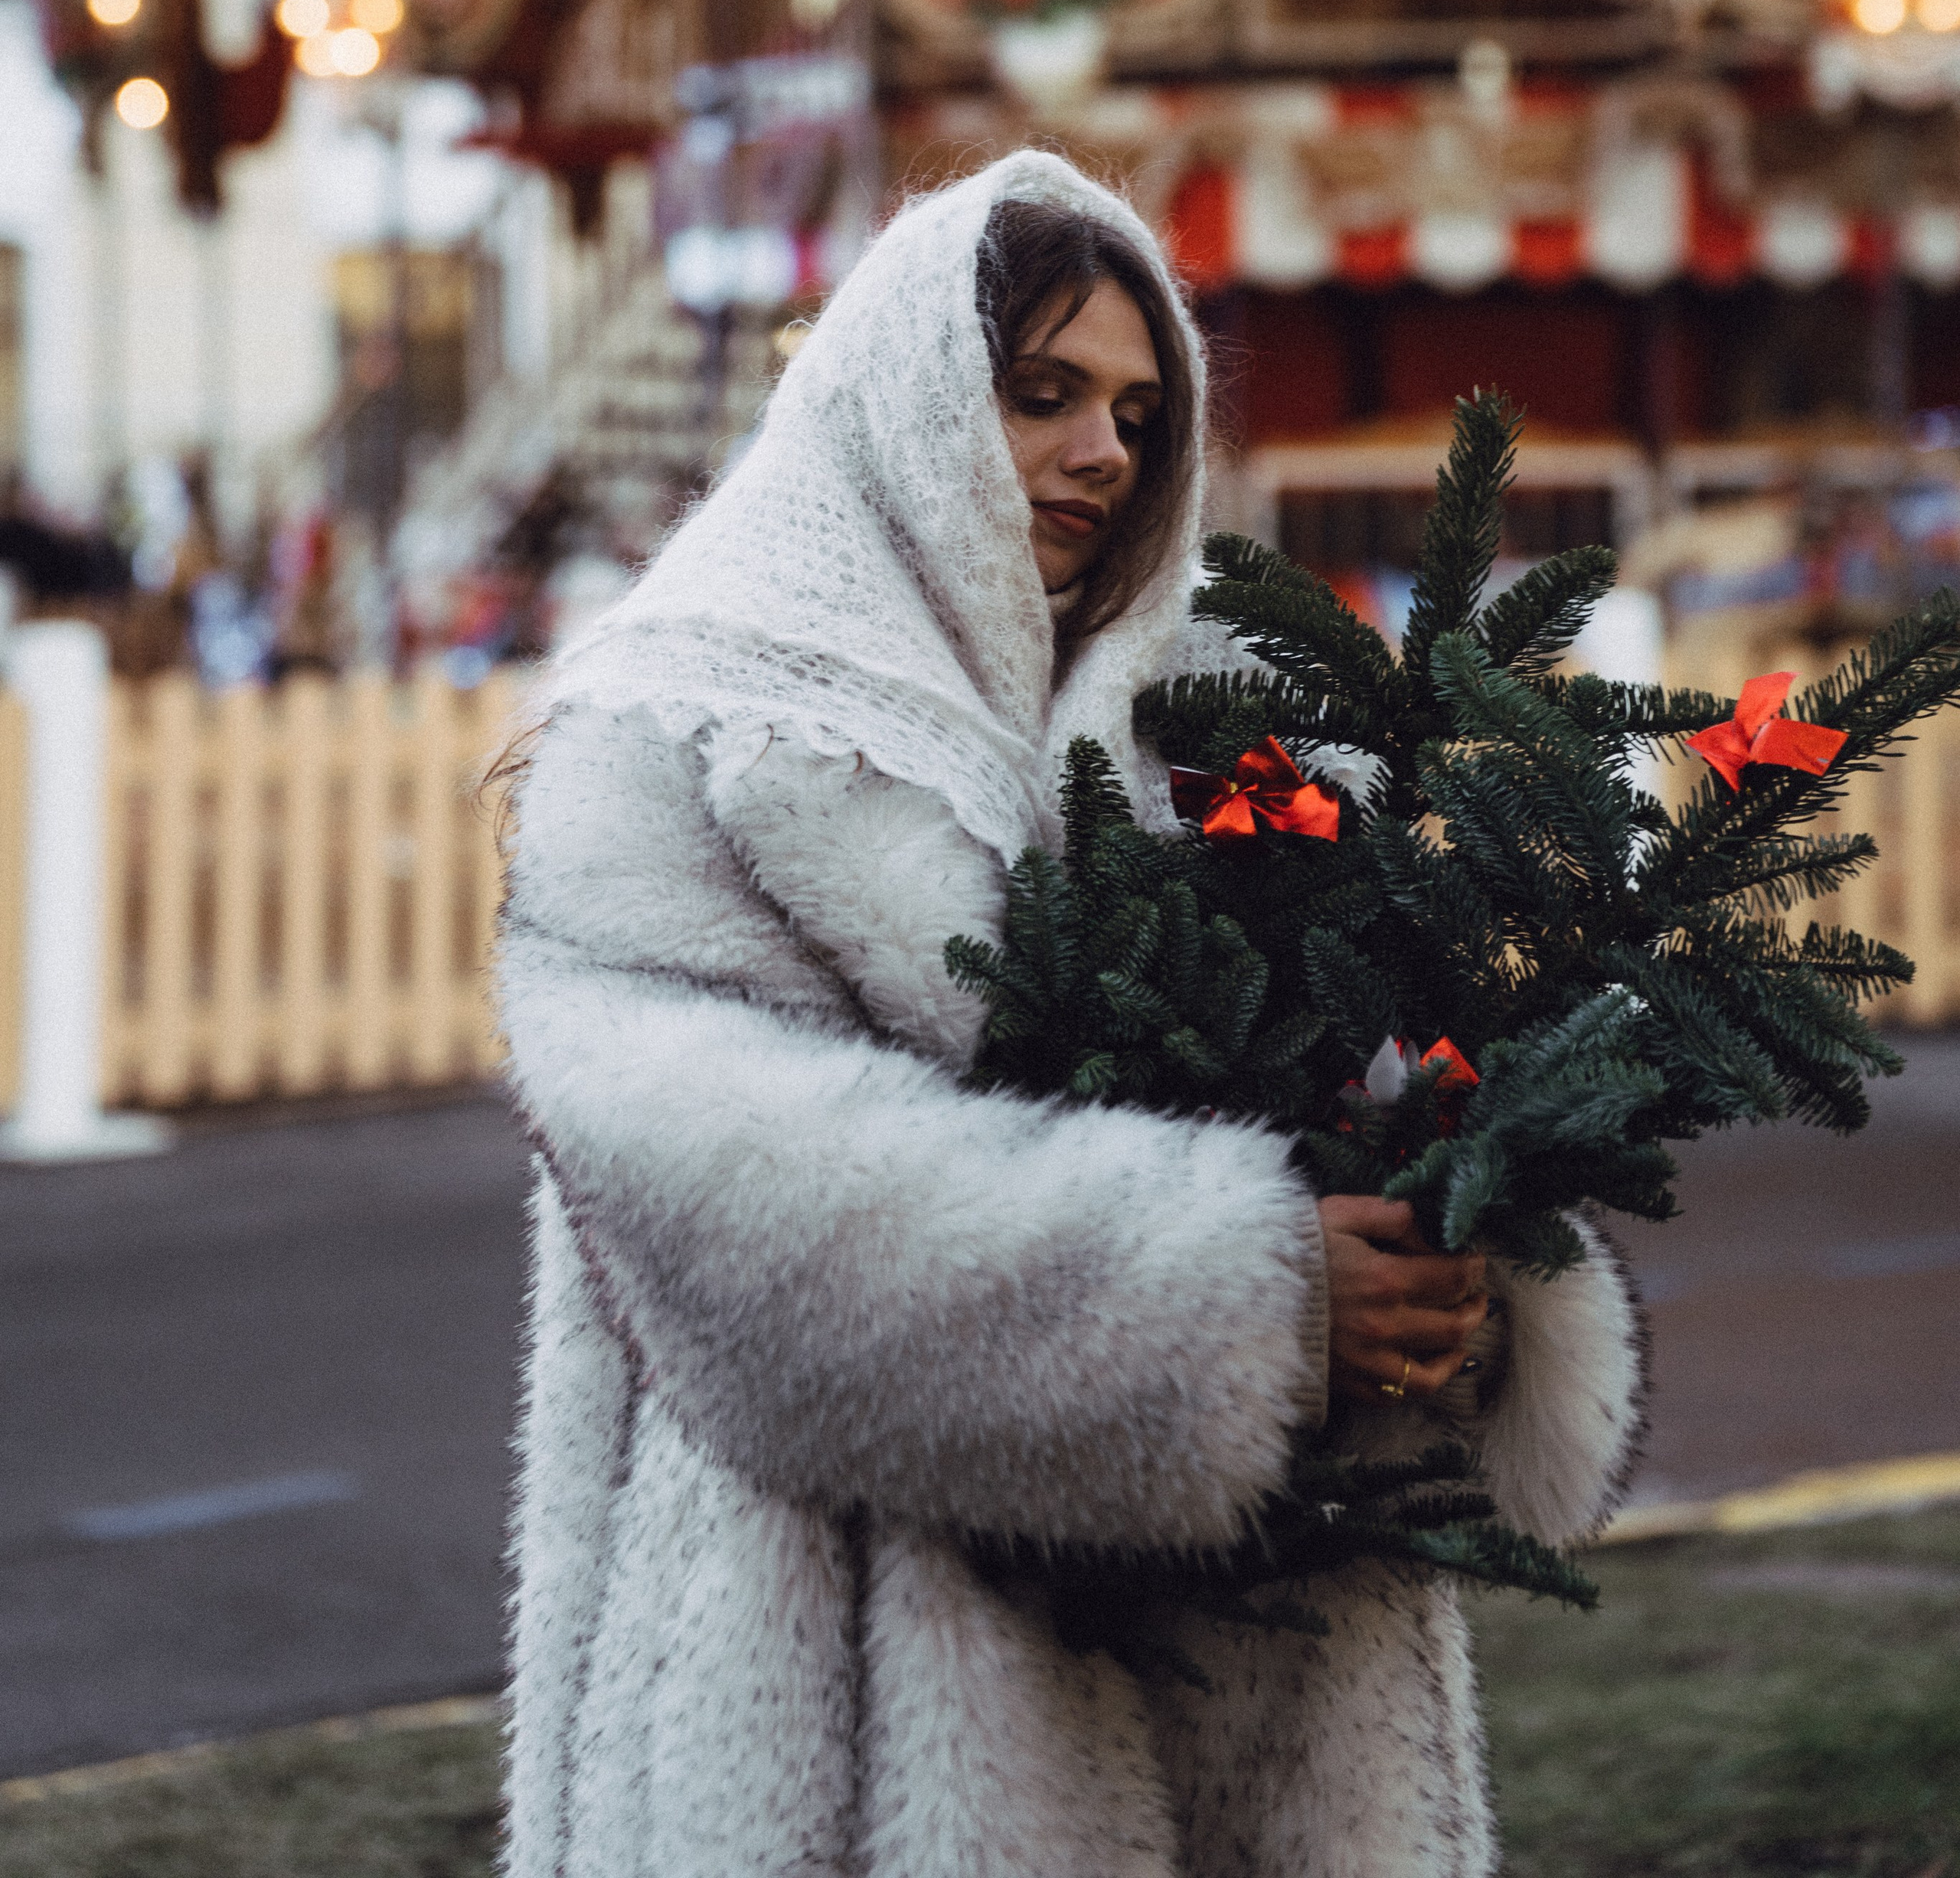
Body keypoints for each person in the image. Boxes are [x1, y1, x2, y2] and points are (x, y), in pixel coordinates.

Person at [498, 149, 1641, 1878]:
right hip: (844, 1670)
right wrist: (1242, 1290)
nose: (1103, 452)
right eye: (1041, 394)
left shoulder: (1221, 733)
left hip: (1276, 1652)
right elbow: (724, 1202)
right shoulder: (674, 735)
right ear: (904, 402)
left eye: (1131, 408)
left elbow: (1385, 1049)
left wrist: (1445, 1249)